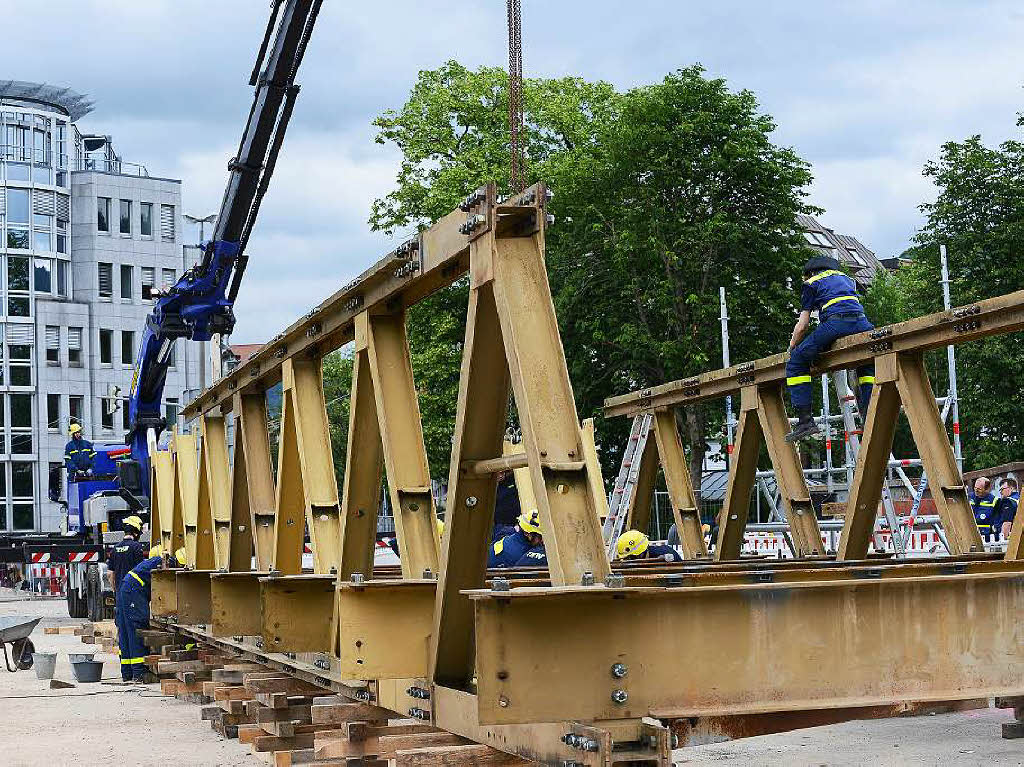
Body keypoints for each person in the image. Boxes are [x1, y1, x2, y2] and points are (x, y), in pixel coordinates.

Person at [784, 256, 876, 443]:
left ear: (810, 272)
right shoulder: (846, 278)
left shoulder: (811, 282)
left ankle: (805, 422)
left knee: (796, 362)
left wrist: (793, 346)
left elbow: (802, 325)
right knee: (866, 365)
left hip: (837, 323)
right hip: (864, 324)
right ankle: (870, 416)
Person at [115, 547, 184, 682]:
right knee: (137, 629)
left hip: (128, 589)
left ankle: (127, 672)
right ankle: (139, 672)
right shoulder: (164, 566)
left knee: (126, 629)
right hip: (134, 591)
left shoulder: (159, 562)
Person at [106, 515, 147, 593]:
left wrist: (115, 590)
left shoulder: (115, 549)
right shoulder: (136, 547)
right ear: (135, 532)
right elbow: (142, 570)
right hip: (133, 592)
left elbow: (110, 573)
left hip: (120, 592)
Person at [615, 530, 683, 562]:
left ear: (640, 553)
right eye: (626, 558)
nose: (628, 561)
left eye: (631, 557)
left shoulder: (666, 553)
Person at [969, 476, 998, 542]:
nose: (976, 490)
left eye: (979, 489)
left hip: (987, 537)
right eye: (975, 488)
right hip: (970, 535)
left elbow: (997, 522)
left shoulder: (994, 500)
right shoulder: (968, 497)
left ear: (987, 489)